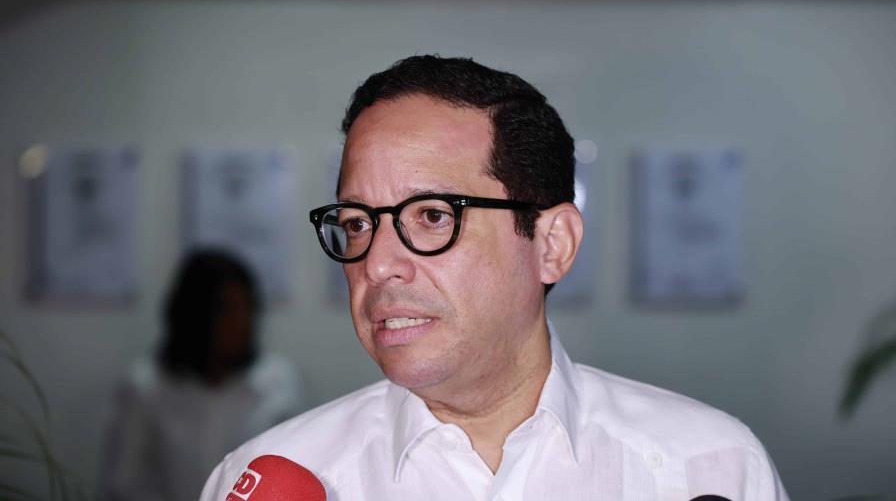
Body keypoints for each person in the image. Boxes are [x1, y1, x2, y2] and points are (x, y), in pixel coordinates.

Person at [200, 55, 788, 500]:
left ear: (552, 245)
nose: (376, 264)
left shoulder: (710, 470)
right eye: (357, 224)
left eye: (432, 216)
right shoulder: (263, 481)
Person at [103, 249, 303, 501]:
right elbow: (125, 483)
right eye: (227, 310)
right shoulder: (145, 387)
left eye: (247, 309)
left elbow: (295, 469)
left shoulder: (277, 383)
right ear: (194, 315)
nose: (241, 323)